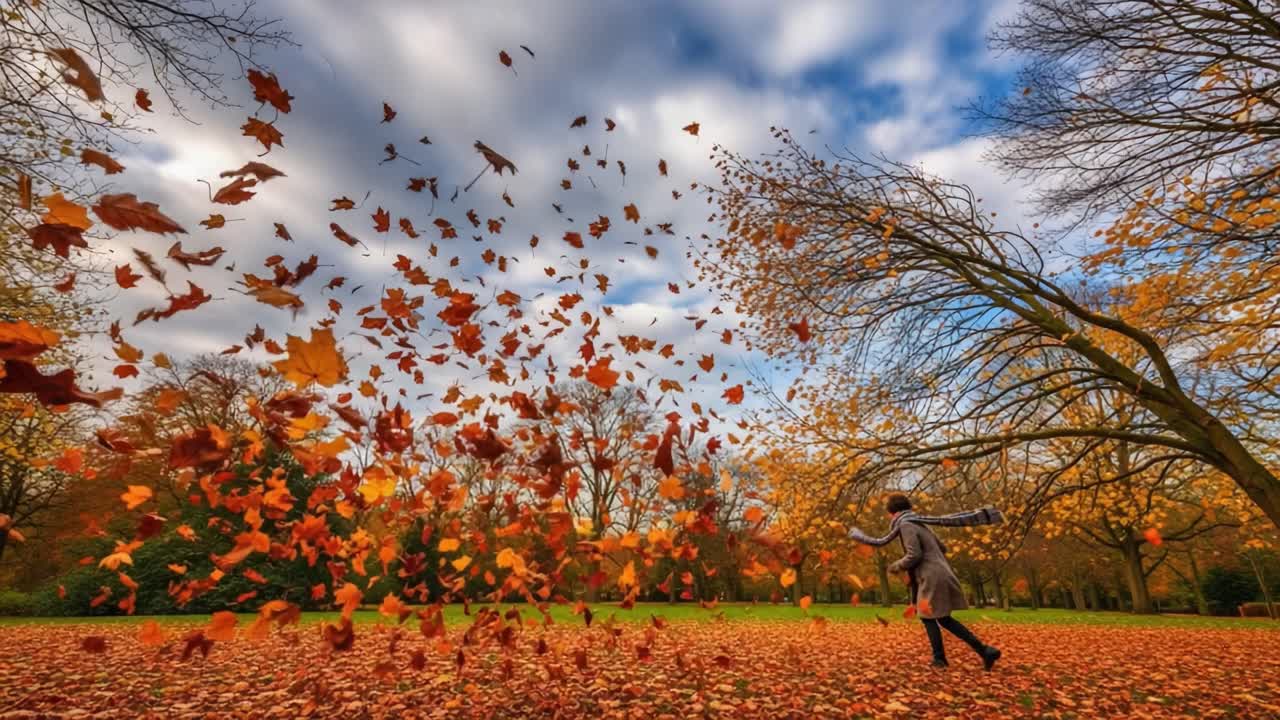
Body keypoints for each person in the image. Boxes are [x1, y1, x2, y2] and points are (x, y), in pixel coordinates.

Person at [850, 493, 1003, 670]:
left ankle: (940, 660)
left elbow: (914, 555)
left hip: (931, 576)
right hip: (942, 572)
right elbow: (942, 548)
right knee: (943, 619)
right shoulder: (919, 523)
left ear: (892, 513)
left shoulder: (906, 524)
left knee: (927, 616)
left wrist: (896, 565)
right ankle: (985, 651)